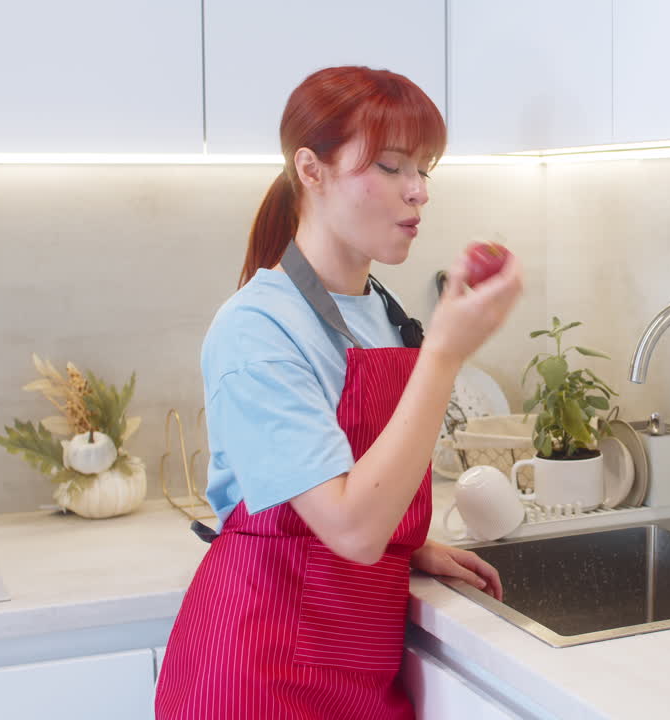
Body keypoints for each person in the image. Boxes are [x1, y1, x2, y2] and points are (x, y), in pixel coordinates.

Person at [154, 66, 523, 719]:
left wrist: (412, 548)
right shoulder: (256, 329)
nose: (418, 192)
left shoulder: (381, 310)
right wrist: (444, 352)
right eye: (389, 167)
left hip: (356, 664)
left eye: (424, 169)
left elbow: (365, 512)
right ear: (311, 170)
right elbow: (351, 528)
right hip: (256, 676)